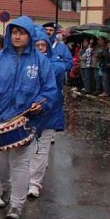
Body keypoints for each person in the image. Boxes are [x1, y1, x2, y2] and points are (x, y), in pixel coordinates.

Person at [0, 16, 57, 219]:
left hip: (25, 121)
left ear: (29, 35)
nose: (17, 36)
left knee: (20, 163)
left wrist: (41, 103)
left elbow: (49, 89)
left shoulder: (41, 62)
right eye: (14, 32)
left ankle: (17, 205)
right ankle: (6, 188)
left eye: (21, 33)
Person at [28, 26, 68, 198]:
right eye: (36, 46)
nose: (39, 49)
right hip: (28, 113)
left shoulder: (55, 64)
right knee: (26, 150)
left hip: (49, 111)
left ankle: (34, 183)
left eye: (42, 46)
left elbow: (62, 66)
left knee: (41, 149)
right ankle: (22, 181)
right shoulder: (25, 63)